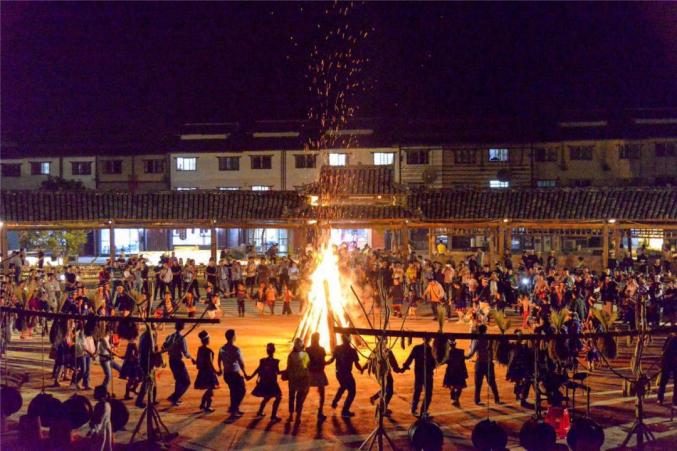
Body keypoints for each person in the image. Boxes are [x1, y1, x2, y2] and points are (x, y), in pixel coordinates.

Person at [328, 333, 364, 418]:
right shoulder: (352, 351)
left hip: (338, 373)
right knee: (352, 391)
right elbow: (357, 364)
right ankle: (345, 410)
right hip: (347, 374)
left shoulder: (337, 348)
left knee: (343, 386)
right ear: (349, 339)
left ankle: (335, 401)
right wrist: (361, 369)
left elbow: (331, 359)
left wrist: (325, 363)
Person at [466, 324, 501, 405]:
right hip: (488, 362)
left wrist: (466, 357)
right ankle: (497, 399)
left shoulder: (477, 339)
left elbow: (472, 351)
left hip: (480, 362)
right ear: (486, 330)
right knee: (492, 382)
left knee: (478, 383)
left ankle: (477, 399)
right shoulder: (489, 338)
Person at [163, 321, 195, 406]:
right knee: (186, 381)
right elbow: (185, 352)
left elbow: (164, 346)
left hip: (171, 361)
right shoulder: (181, 338)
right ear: (183, 327)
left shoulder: (170, 337)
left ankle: (175, 398)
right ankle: (174, 397)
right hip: (178, 361)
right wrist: (192, 358)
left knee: (178, 380)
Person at [248, 343, 282, 421]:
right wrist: (287, 371)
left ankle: (260, 411)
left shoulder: (262, 361)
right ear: (274, 351)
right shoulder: (275, 362)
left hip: (264, 382)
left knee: (267, 397)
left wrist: (250, 377)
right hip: (272, 383)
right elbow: (277, 372)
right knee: (278, 397)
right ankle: (273, 415)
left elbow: (258, 370)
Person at [402, 337, 436, 416]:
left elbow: (410, 358)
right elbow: (434, 364)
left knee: (418, 391)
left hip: (420, 374)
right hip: (427, 374)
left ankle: (415, 409)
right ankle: (422, 410)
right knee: (427, 393)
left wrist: (405, 366)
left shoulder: (417, 348)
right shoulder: (431, 350)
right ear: (429, 340)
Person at [218, 329, 247, 416]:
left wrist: (220, 369)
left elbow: (219, 360)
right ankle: (234, 409)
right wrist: (245, 373)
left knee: (233, 391)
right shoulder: (236, 349)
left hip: (227, 374)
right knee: (242, 391)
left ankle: (235, 408)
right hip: (234, 374)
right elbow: (241, 363)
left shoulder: (222, 348)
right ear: (233, 337)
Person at [194, 330, 220, 413]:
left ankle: (203, 404)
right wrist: (216, 371)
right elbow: (210, 363)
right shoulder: (208, 351)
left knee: (209, 390)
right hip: (209, 373)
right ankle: (207, 406)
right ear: (207, 340)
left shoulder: (200, 349)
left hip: (202, 372)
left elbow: (198, 362)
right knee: (211, 391)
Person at [306, 332, 329, 420]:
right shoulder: (321, 349)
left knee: (304, 392)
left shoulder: (307, 349)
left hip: (310, 373)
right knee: (322, 394)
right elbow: (323, 362)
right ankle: (320, 411)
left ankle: (298, 412)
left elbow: (306, 362)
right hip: (319, 373)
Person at [287, 337, 310, 422]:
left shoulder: (291, 355)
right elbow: (306, 367)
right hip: (301, 379)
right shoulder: (305, 355)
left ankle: (291, 415)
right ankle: (298, 416)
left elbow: (289, 367)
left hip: (293, 379)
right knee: (299, 399)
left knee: (292, 397)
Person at [442, 339, 468, 407]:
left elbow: (443, 361)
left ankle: (454, 398)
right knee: (458, 386)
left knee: (452, 386)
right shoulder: (460, 352)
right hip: (459, 371)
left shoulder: (448, 353)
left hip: (451, 371)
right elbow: (464, 361)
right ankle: (456, 398)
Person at [89, 385, 113, 451]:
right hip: (106, 429)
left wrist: (93, 431)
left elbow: (98, 421)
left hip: (100, 432)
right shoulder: (107, 404)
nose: (93, 394)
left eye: (95, 393)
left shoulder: (100, 406)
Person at [657, 332, 677, 406]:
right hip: (668, 361)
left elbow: (663, 350)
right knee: (663, 381)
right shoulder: (671, 337)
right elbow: (664, 351)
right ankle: (660, 398)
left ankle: (673, 400)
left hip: (670, 361)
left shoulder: (671, 337)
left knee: (664, 381)